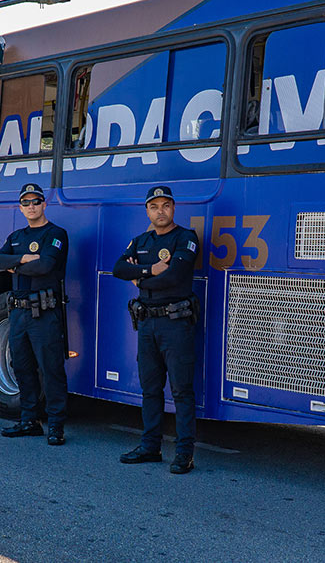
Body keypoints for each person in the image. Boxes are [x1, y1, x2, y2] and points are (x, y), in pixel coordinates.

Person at [112, 185, 200, 474]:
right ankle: (150, 447)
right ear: (147, 211)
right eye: (154, 206)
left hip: (175, 325)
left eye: (165, 205)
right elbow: (118, 269)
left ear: (173, 207)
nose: (160, 211)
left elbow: (175, 276)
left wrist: (138, 278)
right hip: (147, 324)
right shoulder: (141, 240)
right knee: (150, 389)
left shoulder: (185, 238)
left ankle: (184, 454)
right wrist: (149, 271)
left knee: (181, 390)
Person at [0, 182, 70, 446]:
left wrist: (15, 264)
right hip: (18, 313)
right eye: (26, 202)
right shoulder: (16, 236)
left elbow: (46, 266)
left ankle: (56, 425)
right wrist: (25, 259)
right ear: (21, 207)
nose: (31, 206)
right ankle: (29, 421)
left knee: (51, 368)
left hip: (44, 313)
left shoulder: (55, 234)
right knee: (21, 366)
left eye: (36, 201)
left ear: (44, 204)